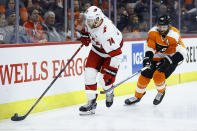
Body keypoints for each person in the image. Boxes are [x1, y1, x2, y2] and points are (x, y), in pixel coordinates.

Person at [125, 15, 187, 105]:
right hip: (157, 56)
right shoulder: (153, 32)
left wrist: (169, 61)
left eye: (164, 27)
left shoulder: (174, 35)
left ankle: (161, 91)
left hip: (171, 57)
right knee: (144, 75)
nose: (162, 29)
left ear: (169, 26)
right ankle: (137, 96)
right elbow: (150, 47)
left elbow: (182, 52)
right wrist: (147, 58)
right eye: (160, 26)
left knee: (158, 75)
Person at [79, 6, 123, 115]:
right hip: (96, 50)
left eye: (90, 21)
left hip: (110, 53)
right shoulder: (93, 20)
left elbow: (117, 55)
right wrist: (85, 34)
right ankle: (91, 103)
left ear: (98, 19)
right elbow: (87, 28)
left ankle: (110, 91)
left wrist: (111, 72)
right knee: (89, 74)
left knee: (105, 80)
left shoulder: (107, 32)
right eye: (87, 20)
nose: (88, 23)